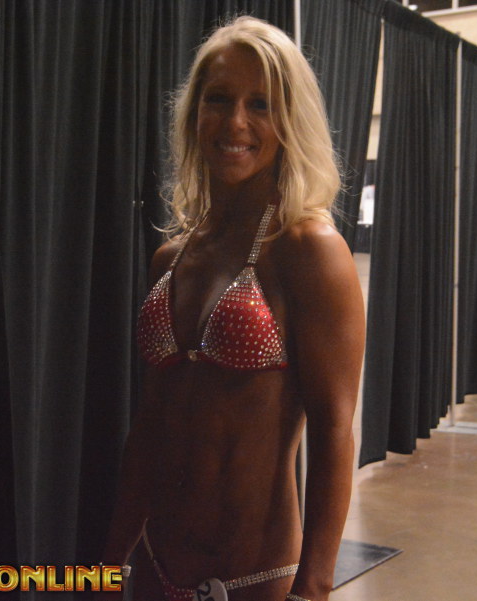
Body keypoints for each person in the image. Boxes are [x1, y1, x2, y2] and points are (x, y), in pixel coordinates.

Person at [101, 16, 365, 601]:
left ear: (290, 120)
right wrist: (108, 563)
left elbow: (334, 429)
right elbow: (150, 427)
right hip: (155, 567)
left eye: (260, 104)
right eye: (218, 99)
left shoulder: (310, 251)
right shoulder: (171, 257)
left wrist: (313, 588)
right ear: (194, 112)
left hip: (255, 579)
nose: (235, 122)